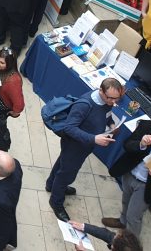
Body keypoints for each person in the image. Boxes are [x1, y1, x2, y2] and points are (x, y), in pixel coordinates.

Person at [47, 77, 124, 222]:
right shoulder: (85, 104)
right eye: (111, 98)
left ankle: (51, 184)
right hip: (74, 145)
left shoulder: (107, 101)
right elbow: (69, 128)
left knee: (63, 163)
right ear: (101, 91)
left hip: (85, 145)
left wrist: (112, 125)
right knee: (67, 173)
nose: (114, 102)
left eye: (117, 99)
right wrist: (94, 139)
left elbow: (107, 116)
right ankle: (56, 201)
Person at [65, 222, 143, 251]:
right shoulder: (128, 244)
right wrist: (84, 227)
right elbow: (108, 235)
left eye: (112, 247)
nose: (113, 237)